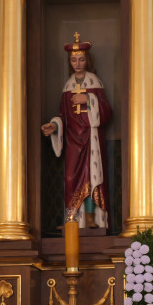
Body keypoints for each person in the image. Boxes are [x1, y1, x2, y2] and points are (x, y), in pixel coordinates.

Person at [41, 33, 112, 228]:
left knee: (90, 175)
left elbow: (106, 112)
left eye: (81, 59)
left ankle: (90, 217)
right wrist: (54, 126)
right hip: (73, 139)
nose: (77, 63)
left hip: (90, 138)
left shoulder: (94, 82)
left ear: (87, 60)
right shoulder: (68, 86)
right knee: (71, 176)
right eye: (74, 60)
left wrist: (88, 100)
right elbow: (63, 114)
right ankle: (72, 218)